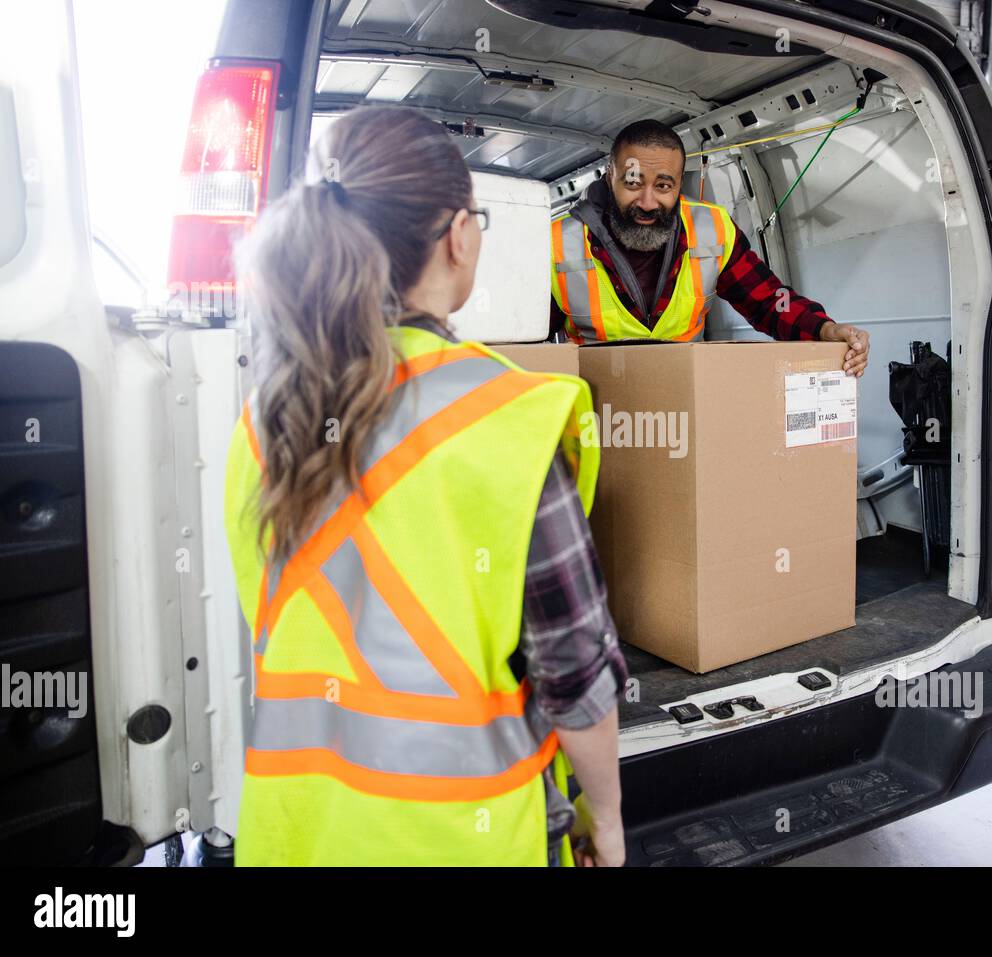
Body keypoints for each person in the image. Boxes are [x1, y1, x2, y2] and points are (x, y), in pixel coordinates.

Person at [223, 105, 627, 867]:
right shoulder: (508, 420)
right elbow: (576, 682)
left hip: (293, 832)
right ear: (457, 235)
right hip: (456, 838)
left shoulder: (263, 422)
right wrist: (602, 817)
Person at [549, 118, 870, 376]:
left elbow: (770, 303)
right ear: (610, 178)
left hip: (686, 406)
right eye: (633, 183)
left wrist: (825, 328)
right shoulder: (555, 243)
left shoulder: (712, 229)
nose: (647, 203)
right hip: (593, 419)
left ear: (678, 184)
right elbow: (526, 348)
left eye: (663, 185)